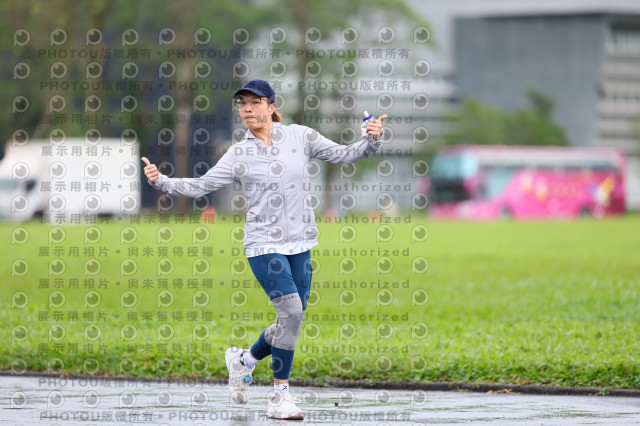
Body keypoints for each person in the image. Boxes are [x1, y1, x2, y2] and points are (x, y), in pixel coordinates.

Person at [142, 79, 387, 420]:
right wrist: (161, 182)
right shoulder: (238, 154)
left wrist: (372, 139)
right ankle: (279, 396)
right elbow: (202, 185)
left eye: (254, 102)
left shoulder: (301, 136)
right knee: (292, 314)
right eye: (242, 103)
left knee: (289, 321)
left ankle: (243, 360)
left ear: (272, 106)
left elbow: (345, 154)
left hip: (301, 241)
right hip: (263, 245)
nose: (247, 108)